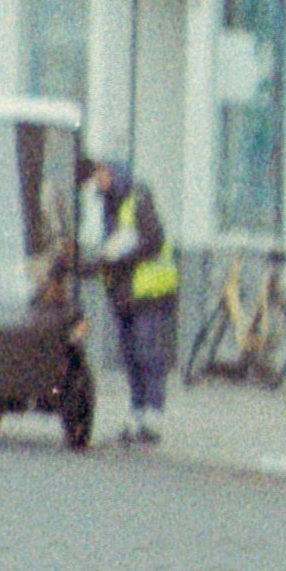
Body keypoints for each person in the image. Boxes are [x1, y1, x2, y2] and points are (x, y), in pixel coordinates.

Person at [104, 157, 182, 449]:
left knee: (148, 353)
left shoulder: (137, 201)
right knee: (133, 357)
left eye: (103, 173)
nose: (99, 180)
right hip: (127, 294)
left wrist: (117, 255)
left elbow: (151, 240)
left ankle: (152, 418)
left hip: (149, 293)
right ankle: (137, 415)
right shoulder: (112, 205)